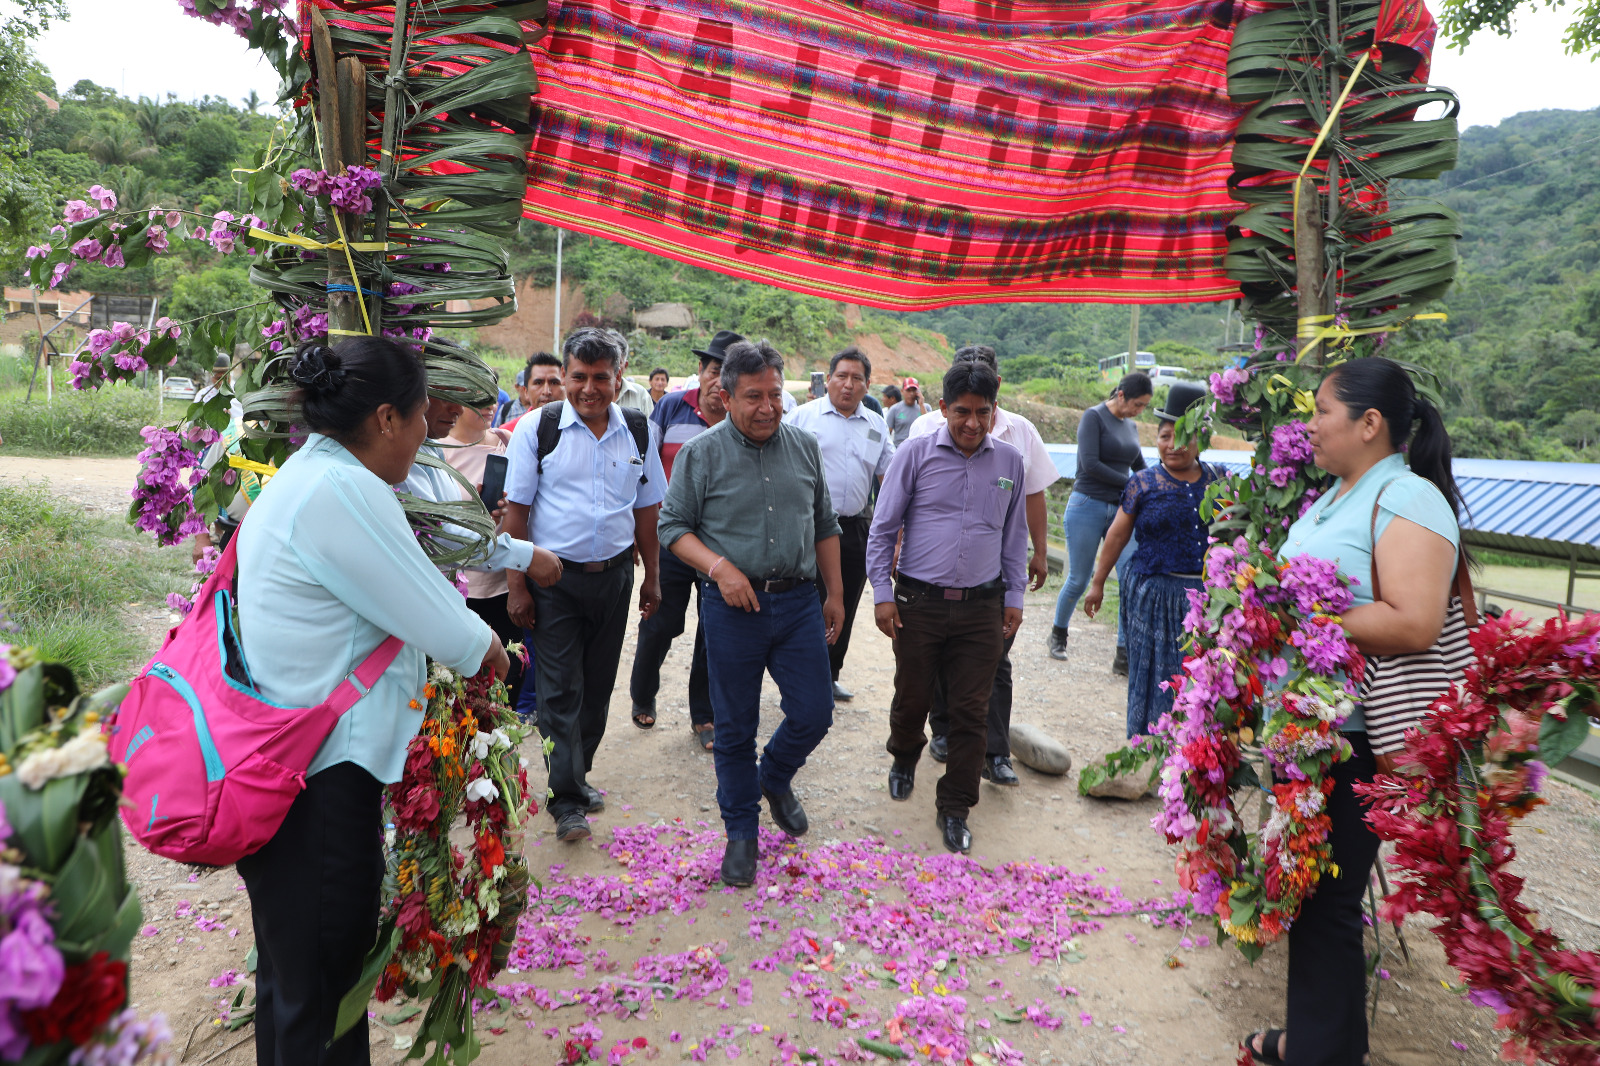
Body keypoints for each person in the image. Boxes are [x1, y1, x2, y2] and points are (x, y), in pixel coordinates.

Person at [235, 338, 511, 1066]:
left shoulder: (312, 473)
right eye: (425, 418)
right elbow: (452, 629)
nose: (429, 435)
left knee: (296, 983)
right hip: (317, 785)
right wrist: (496, 653)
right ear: (388, 418)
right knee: (322, 988)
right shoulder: (343, 491)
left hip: (291, 768)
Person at [1242, 358, 1466, 1066]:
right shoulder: (1341, 493)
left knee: (1326, 906)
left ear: (1370, 424)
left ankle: (1316, 1052)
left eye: (1321, 412)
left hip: (1357, 741)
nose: (1307, 426)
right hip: (1315, 735)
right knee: (1316, 903)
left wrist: (1295, 608)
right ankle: (1317, 1045)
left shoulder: (1407, 497)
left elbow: (1414, 622)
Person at [657, 339, 845, 888]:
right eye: (754, 396)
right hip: (732, 607)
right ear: (726, 395)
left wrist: (833, 593)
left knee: (814, 713)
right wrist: (720, 568)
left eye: (776, 395)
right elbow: (673, 528)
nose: (767, 408)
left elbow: (826, 523)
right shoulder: (701, 453)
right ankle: (741, 833)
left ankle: (776, 776)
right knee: (734, 728)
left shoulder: (804, 448)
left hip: (797, 602)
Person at [503, 327, 666, 842]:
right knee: (560, 692)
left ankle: (575, 774)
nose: (588, 388)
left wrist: (652, 579)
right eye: (579, 377)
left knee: (597, 690)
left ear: (619, 380)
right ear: (566, 376)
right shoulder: (538, 429)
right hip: (554, 582)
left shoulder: (640, 430)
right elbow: (516, 513)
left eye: (601, 378)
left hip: (615, 580)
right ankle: (567, 799)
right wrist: (518, 586)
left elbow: (647, 511)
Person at [868, 361, 1027, 855]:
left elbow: (1013, 536)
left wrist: (1015, 598)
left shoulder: (1010, 464)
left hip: (983, 606)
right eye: (962, 412)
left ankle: (955, 806)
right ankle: (903, 756)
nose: (972, 424)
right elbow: (883, 527)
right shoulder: (914, 455)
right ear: (942, 409)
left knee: (970, 712)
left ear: (994, 411)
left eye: (983, 413)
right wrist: (882, 593)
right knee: (912, 695)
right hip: (919, 601)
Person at [910, 345, 1059, 784]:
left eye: (986, 395)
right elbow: (908, 498)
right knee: (939, 656)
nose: (974, 420)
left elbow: (1033, 495)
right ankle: (942, 730)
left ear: (997, 387)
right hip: (935, 574)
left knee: (994, 659)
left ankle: (995, 752)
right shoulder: (925, 429)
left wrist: (1039, 550)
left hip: (992, 576)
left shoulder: (1021, 432)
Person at [1083, 382, 1221, 737]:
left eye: (1182, 437)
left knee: (1201, 678)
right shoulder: (1142, 483)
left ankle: (1195, 754)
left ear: (1201, 439)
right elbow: (1117, 535)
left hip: (1206, 603)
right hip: (1154, 596)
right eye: (1164, 436)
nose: (1171, 445)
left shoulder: (1220, 480)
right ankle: (1149, 749)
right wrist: (1097, 583)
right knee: (1155, 674)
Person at [629, 330, 739, 751]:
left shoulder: (742, 418)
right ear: (700, 371)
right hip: (673, 538)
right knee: (661, 621)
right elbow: (643, 469)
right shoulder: (673, 407)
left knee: (715, 630)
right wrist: (640, 533)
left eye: (728, 374)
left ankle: (705, 714)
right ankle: (643, 692)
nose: (719, 382)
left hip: (723, 546)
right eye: (714, 371)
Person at [785, 346, 895, 703]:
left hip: (856, 528)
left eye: (857, 378)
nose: (848, 385)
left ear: (867, 385)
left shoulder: (876, 425)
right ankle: (799, 682)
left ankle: (830, 675)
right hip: (807, 528)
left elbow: (890, 480)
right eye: (842, 376)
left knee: (843, 602)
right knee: (805, 603)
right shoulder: (802, 418)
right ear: (828, 379)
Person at [1048, 371, 1154, 667]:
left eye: (1144, 407)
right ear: (1121, 395)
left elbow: (1139, 464)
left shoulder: (1131, 426)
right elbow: (1090, 464)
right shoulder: (1092, 417)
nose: (1139, 411)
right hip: (1088, 504)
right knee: (1080, 578)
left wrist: (1154, 483)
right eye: (1138, 404)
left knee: (1128, 579)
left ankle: (1123, 651)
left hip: (1121, 509)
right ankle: (1058, 633)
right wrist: (1132, 485)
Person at [442, 399, 532, 709]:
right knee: (462, 686)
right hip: (459, 588)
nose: (489, 406)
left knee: (509, 675)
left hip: (505, 583)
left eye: (492, 397)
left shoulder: (508, 442)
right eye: (477, 400)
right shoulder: (434, 450)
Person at [500, 351, 564, 432]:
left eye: (554, 383)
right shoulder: (508, 432)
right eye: (538, 383)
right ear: (526, 391)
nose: (546, 391)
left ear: (566, 387)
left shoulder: (580, 428)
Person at [609, 330, 656, 416]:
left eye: (618, 362)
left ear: (625, 365)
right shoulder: (589, 394)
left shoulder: (640, 395)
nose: (613, 368)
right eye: (607, 362)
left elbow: (650, 428)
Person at [884, 377, 931, 445]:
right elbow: (887, 434)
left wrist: (921, 405)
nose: (911, 393)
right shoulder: (895, 409)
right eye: (908, 390)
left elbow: (929, 427)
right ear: (902, 391)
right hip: (900, 448)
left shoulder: (926, 408)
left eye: (914, 390)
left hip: (920, 448)